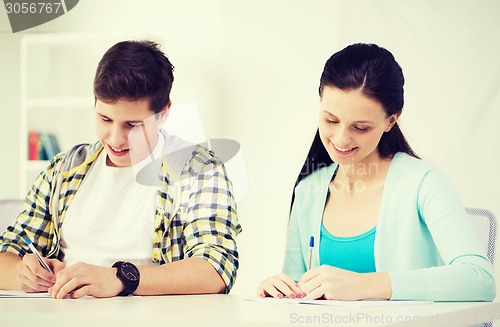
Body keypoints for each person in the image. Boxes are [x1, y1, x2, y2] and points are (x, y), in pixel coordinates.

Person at [0, 40, 242, 299]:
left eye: (133, 124)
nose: (116, 139)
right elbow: (8, 254)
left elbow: (216, 267)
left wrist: (121, 277)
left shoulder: (199, 168)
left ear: (163, 113)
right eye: (105, 119)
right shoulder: (64, 169)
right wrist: (22, 274)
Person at [257, 43, 495, 301]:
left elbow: (480, 279)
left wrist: (365, 285)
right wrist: (279, 290)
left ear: (391, 120)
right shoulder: (309, 190)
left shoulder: (423, 182)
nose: (341, 138)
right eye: (331, 120)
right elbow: (297, 288)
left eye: (360, 127)